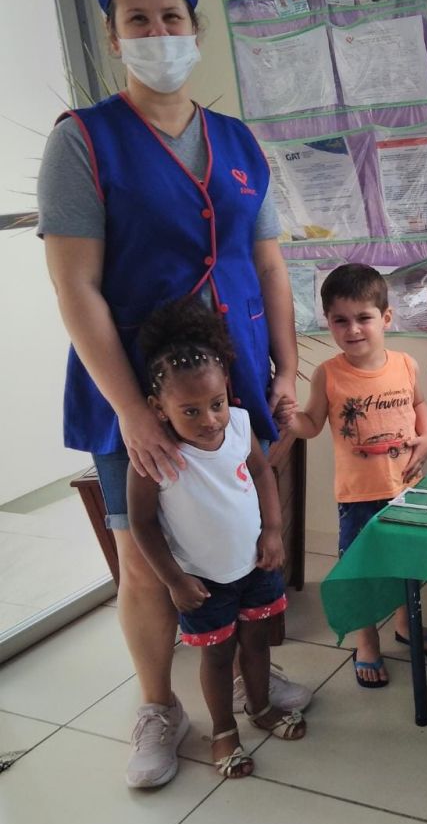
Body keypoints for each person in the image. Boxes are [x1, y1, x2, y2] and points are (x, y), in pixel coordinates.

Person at [37, 0, 309, 788]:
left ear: (194, 28)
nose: (157, 33)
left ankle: (249, 675)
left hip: (235, 382)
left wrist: (289, 366)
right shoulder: (83, 141)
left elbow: (269, 264)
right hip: (137, 389)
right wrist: (130, 409)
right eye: (138, 20)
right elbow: (76, 287)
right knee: (147, 557)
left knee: (245, 532)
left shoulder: (237, 141)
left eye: (170, 17)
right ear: (113, 37)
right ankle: (159, 706)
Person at [128, 299, 306, 779]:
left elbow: (262, 472)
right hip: (203, 583)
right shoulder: (153, 457)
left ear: (227, 387)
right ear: (158, 408)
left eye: (216, 404)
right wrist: (174, 580)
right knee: (218, 655)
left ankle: (261, 706)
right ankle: (224, 730)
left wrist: (273, 532)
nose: (209, 420)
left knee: (258, 643)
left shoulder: (240, 425)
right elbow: (141, 523)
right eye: (190, 410)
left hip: (255, 565)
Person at [279, 264, 427, 686]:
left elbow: (419, 404)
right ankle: (366, 641)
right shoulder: (329, 374)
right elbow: (311, 425)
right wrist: (287, 417)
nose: (353, 329)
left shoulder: (406, 364)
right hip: (358, 496)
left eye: (363, 318)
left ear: (385, 318)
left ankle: (406, 625)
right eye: (340, 320)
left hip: (407, 489)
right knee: (361, 571)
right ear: (328, 322)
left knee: (407, 563)